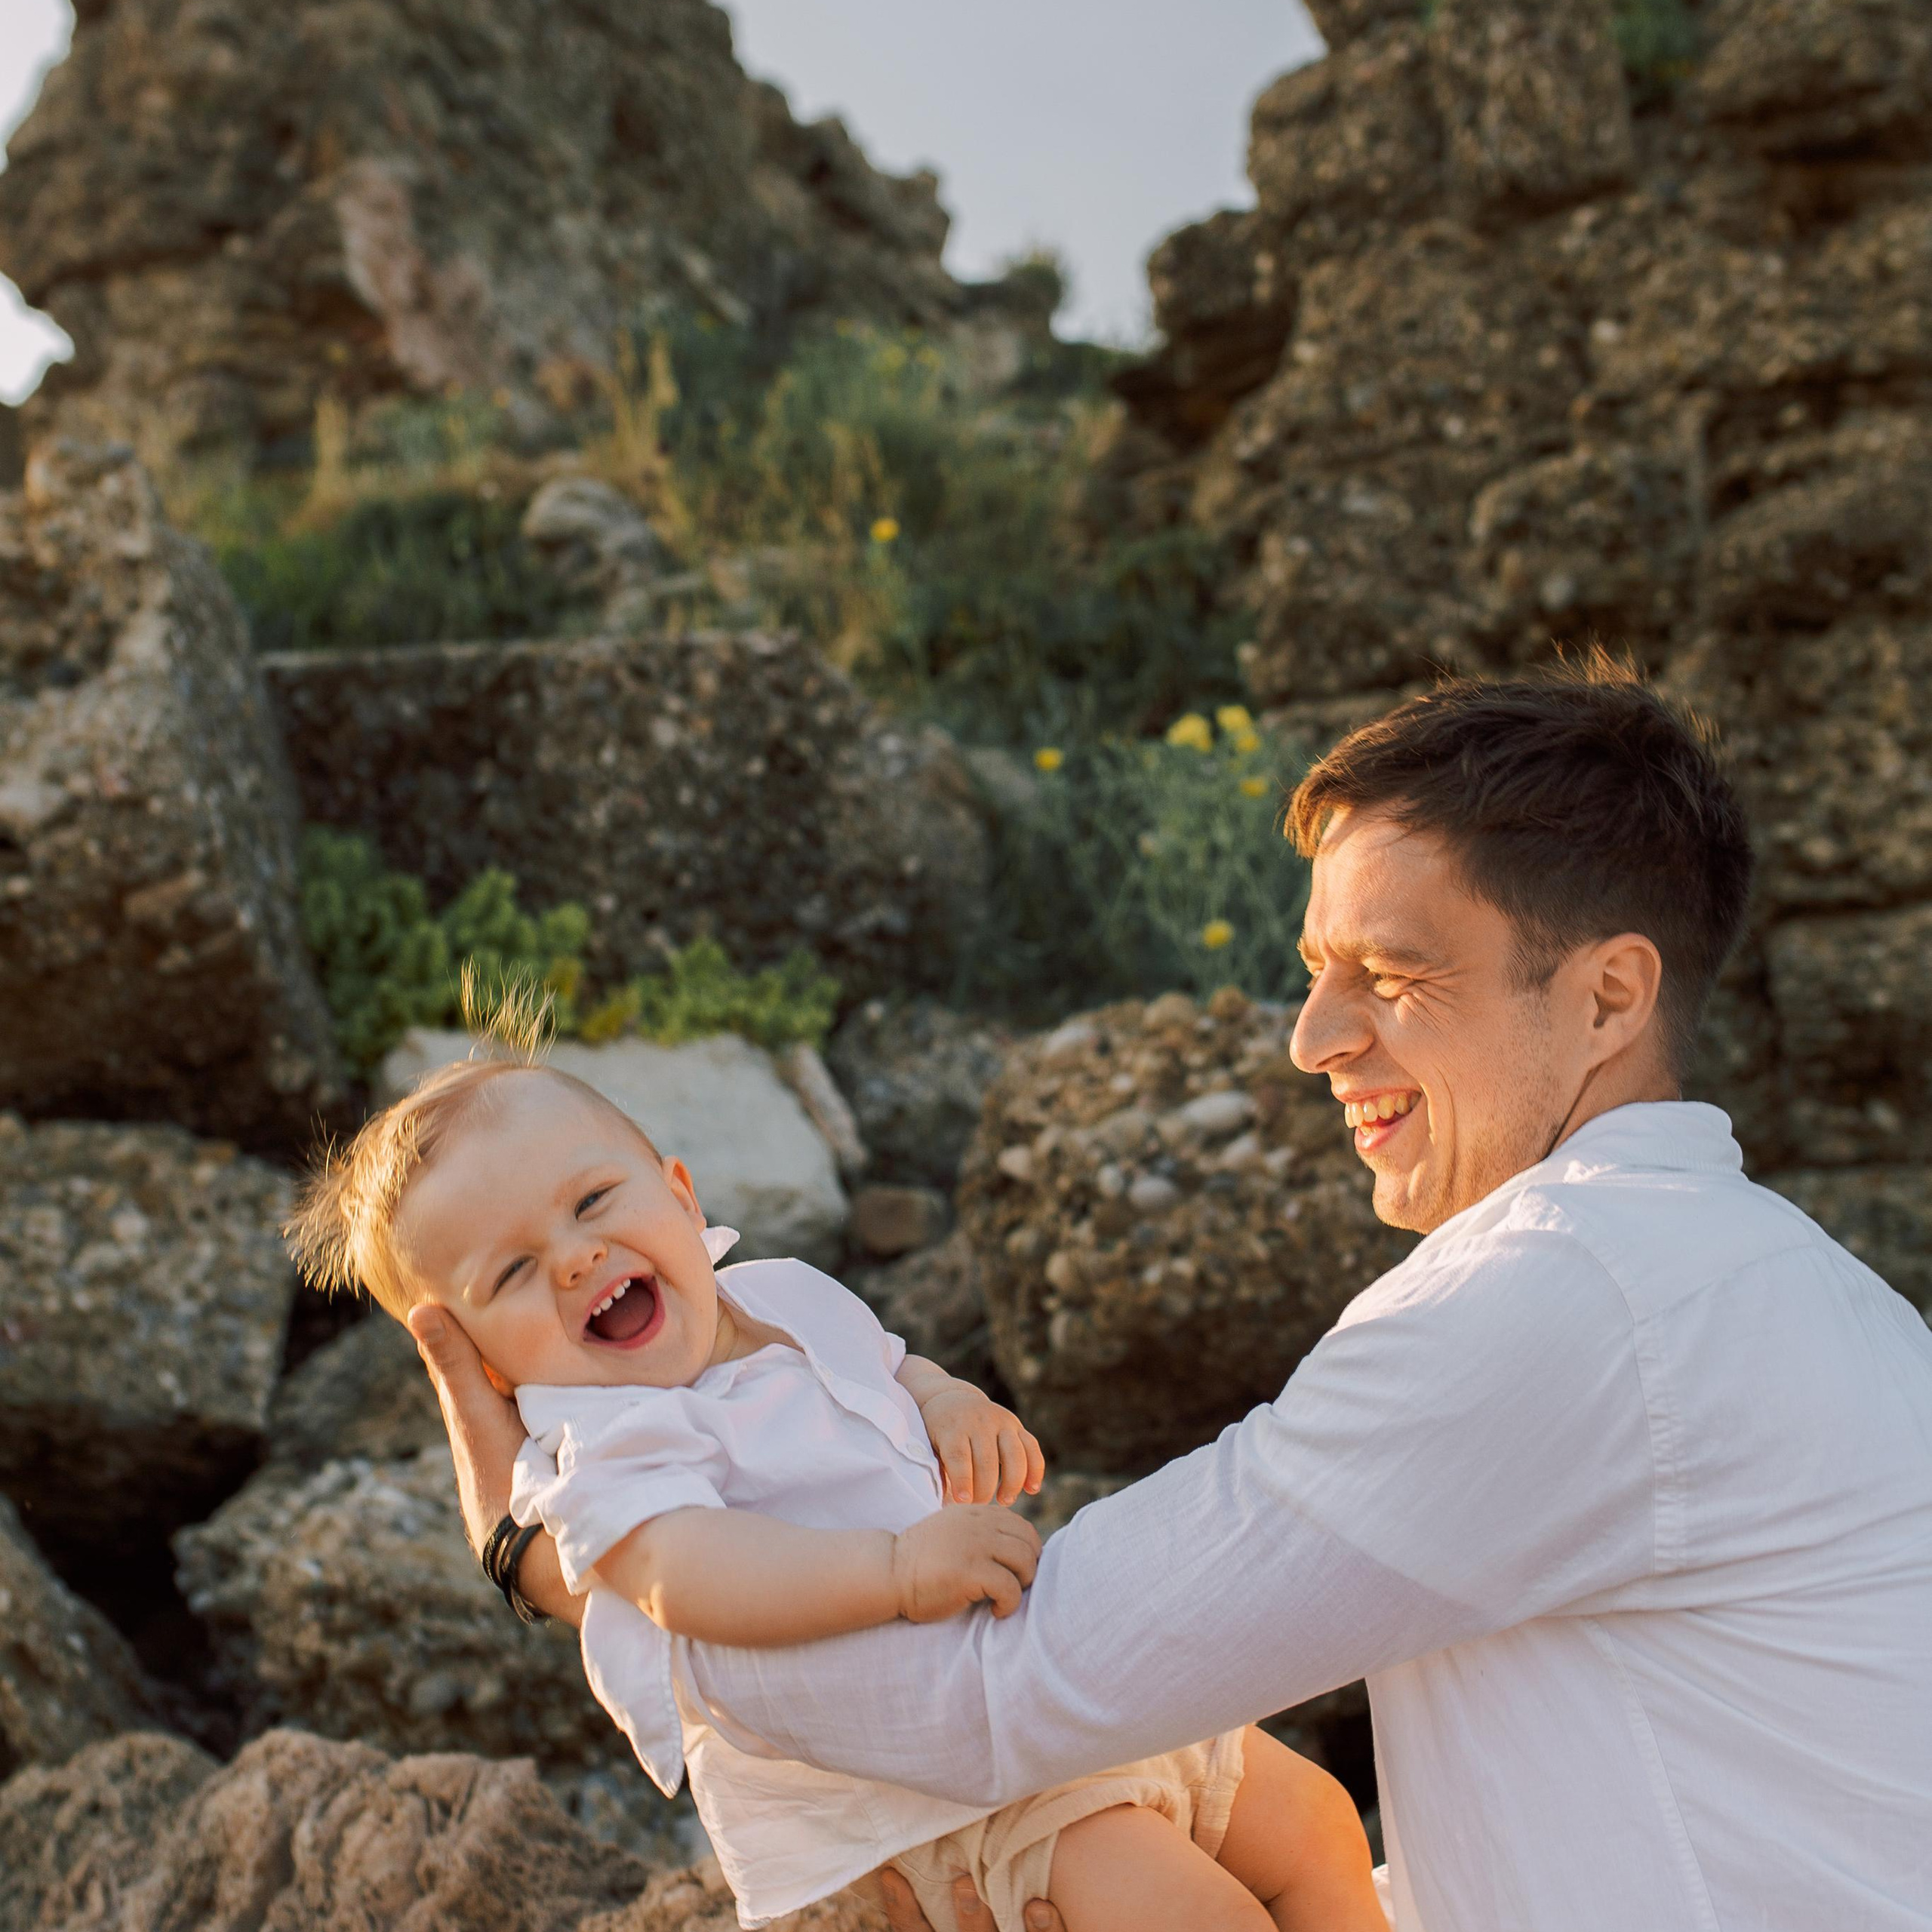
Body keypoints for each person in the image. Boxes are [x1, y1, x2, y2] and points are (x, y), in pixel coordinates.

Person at [412, 663, 1932, 1932]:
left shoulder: (1558, 1301)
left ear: (1606, 995)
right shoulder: (1805, 1290)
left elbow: (997, 1695)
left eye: (1389, 975)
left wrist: (567, 1554)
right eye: (1310, 968)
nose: (1308, 1036)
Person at [288, 1044, 1385, 1931]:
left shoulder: (781, 1291)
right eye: (515, 1273)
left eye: (591, 1200)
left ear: (679, 1192)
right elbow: (682, 1575)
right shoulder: (610, 1442)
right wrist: (897, 1570)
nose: (574, 1258)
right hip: (932, 1798)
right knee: (1192, 1913)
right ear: (487, 1369)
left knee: (1322, 1828)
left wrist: (953, 1403)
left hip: (1039, 1674)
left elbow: (890, 1363)